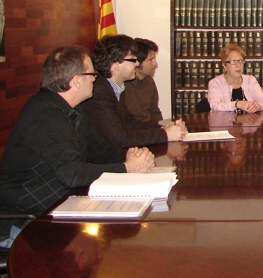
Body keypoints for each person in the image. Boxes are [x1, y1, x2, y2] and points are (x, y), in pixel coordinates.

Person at [0, 46, 154, 248]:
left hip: (57, 206)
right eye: (91, 74)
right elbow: (71, 174)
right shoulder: (45, 115)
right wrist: (127, 168)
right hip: (25, 220)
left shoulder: (73, 110)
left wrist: (130, 156)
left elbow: (97, 148)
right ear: (76, 81)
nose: (95, 79)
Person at [82, 35, 186, 148]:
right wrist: (165, 134)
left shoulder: (116, 87)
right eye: (133, 59)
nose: (137, 64)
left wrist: (163, 128)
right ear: (116, 66)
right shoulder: (99, 92)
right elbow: (120, 137)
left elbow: (128, 121)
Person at [207, 44, 263, 112]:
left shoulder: (250, 80)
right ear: (224, 66)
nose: (238, 65)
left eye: (241, 61)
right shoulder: (215, 83)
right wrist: (237, 104)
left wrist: (258, 106)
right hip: (225, 119)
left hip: (249, 119)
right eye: (233, 61)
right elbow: (215, 106)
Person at [122, 38, 163, 123]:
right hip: (132, 129)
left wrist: (164, 128)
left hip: (149, 129)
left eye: (154, 59)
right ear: (137, 62)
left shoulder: (149, 81)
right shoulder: (123, 84)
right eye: (150, 60)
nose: (155, 63)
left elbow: (154, 112)